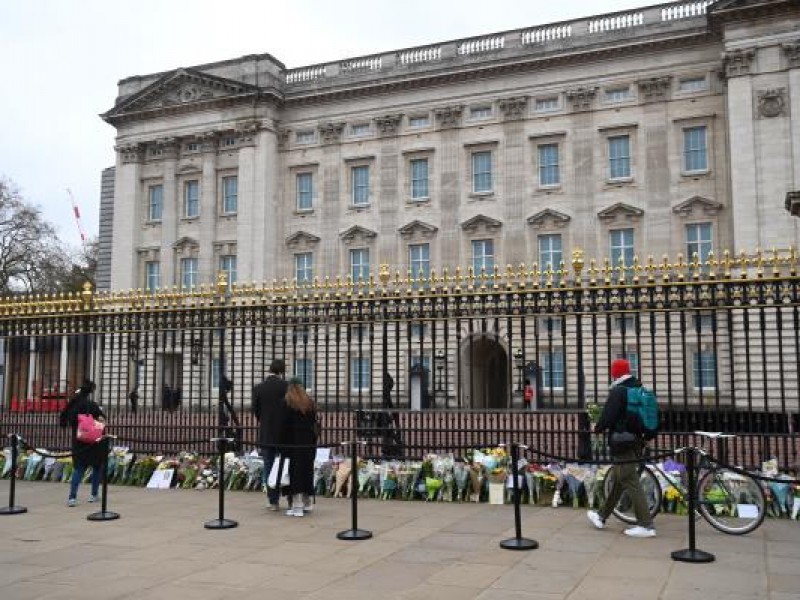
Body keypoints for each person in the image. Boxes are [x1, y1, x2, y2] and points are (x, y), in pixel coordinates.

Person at [587, 359, 656, 538]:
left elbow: (608, 416)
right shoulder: (637, 387)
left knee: (630, 480)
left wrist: (597, 428)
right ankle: (602, 516)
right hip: (636, 439)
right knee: (620, 479)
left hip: (622, 441)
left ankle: (646, 525)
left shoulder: (618, 391)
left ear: (614, 373)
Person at [59, 379, 106, 507]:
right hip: (93, 442)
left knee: (78, 469)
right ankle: (93, 494)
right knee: (97, 467)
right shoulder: (92, 405)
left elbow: (65, 419)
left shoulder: (73, 405)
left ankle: (72, 497)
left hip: (78, 441)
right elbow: (102, 419)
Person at [252, 358, 288, 511]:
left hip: (266, 432)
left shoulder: (259, 388)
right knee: (285, 465)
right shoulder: (286, 386)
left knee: (268, 465)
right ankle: (290, 497)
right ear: (281, 371)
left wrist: (265, 420)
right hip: (284, 432)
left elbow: (256, 411)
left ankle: (272, 500)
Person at [280, 378, 319, 517]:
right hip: (308, 442)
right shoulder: (309, 402)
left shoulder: (287, 403)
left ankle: (297, 506)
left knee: (295, 473)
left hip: (292, 443)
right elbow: (314, 423)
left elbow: (283, 426)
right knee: (306, 471)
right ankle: (307, 502)